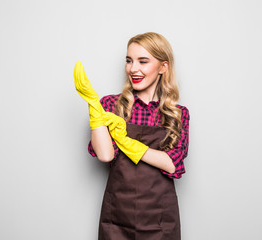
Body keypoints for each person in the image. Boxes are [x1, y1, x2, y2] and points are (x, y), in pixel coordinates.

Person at [74, 32, 189, 240]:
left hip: (160, 222)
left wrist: (127, 142)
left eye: (142, 61)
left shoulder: (177, 114)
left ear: (163, 67)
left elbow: (172, 164)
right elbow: (105, 155)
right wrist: (94, 107)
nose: (133, 69)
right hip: (117, 219)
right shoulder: (111, 105)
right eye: (129, 61)